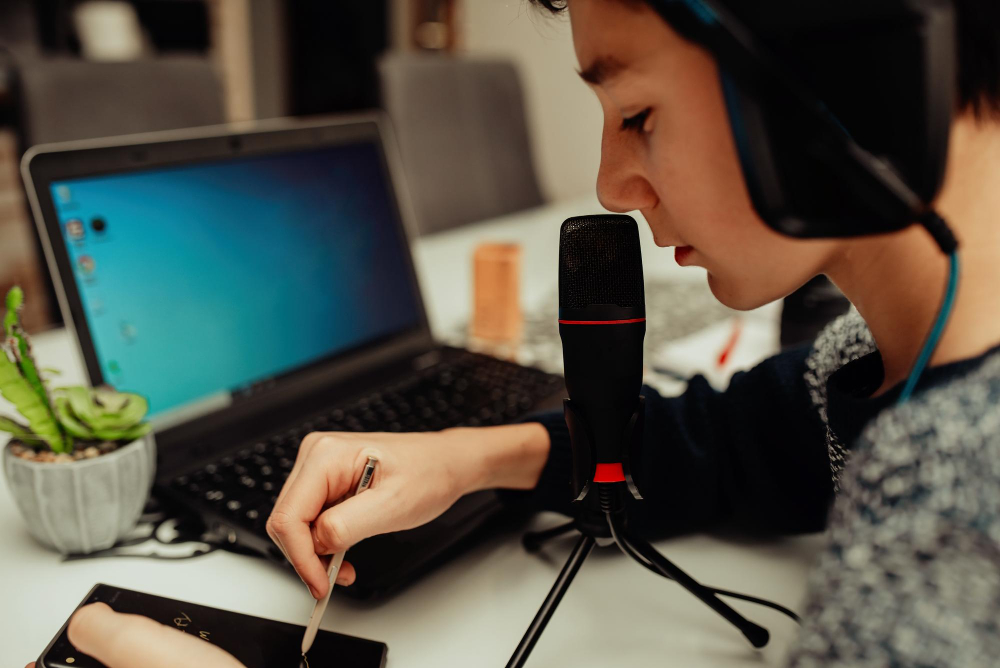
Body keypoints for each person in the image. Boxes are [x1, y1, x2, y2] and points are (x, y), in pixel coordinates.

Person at [30, 0, 1000, 665]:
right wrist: (473, 453)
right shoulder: (875, 357)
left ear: (843, 76)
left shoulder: (958, 478)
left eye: (637, 113)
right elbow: (744, 442)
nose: (610, 184)